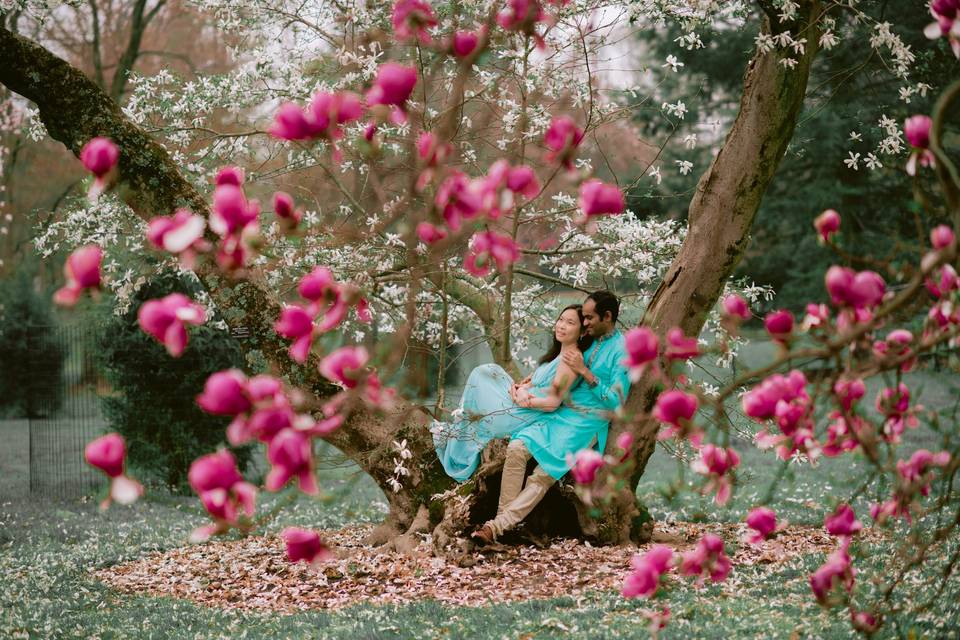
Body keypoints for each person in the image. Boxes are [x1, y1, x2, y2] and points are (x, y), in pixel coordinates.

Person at [472, 290, 630, 544]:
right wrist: (531, 382)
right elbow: (561, 368)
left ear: (607, 316)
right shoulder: (590, 339)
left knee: (543, 474)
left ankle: (495, 528)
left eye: (589, 318)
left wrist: (586, 374)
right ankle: (503, 522)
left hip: (587, 422)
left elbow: (617, 400)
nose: (585, 322)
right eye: (584, 318)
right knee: (516, 447)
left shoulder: (622, 350)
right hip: (561, 413)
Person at [431, 304, 593, 481]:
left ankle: (460, 438)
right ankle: (460, 432)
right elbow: (534, 383)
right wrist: (520, 389)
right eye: (560, 320)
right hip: (520, 403)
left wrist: (524, 399)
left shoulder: (570, 359)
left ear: (583, 332)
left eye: (570, 322)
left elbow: (553, 402)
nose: (561, 325)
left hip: (525, 413)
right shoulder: (559, 356)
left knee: (482, 374)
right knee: (488, 372)